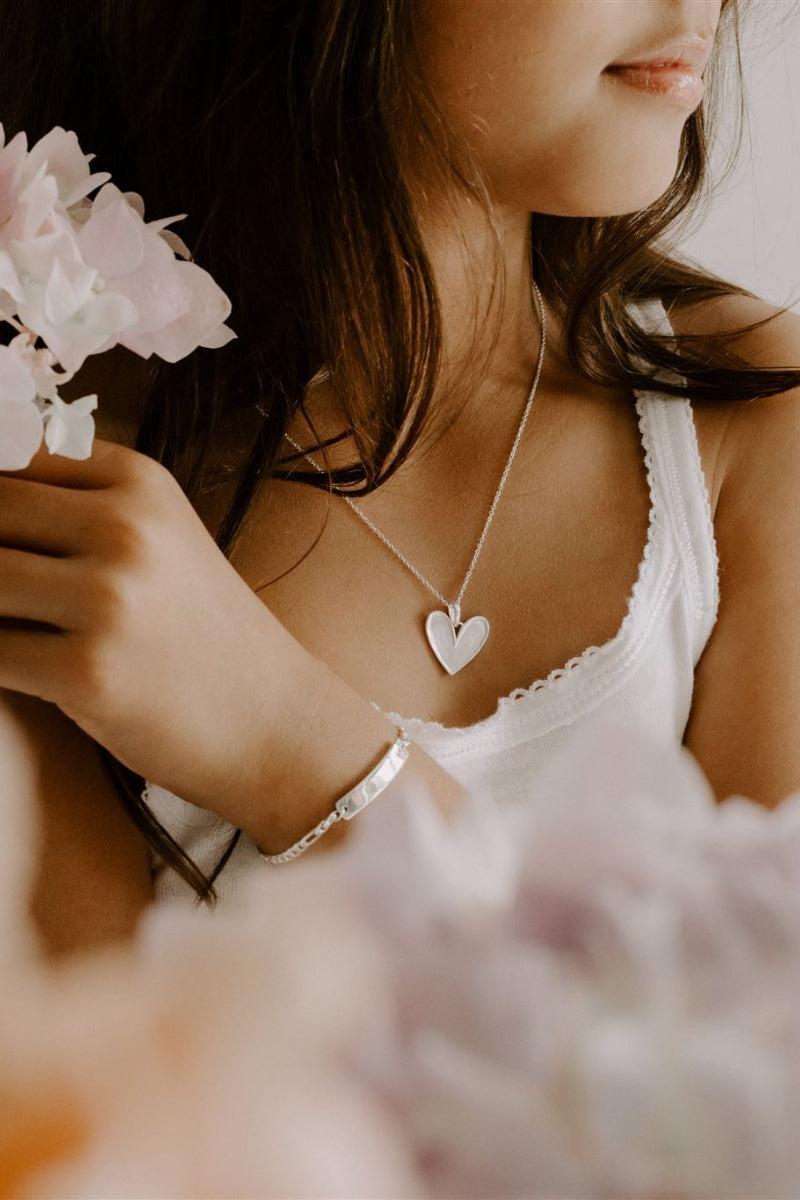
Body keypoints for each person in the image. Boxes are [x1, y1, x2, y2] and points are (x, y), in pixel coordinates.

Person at [1, 0, 800, 952]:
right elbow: (78, 1084)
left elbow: (746, 1070)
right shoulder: (46, 444)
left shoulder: (748, 421)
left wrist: (296, 749)